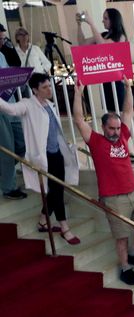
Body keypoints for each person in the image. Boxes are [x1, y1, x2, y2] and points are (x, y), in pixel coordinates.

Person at [73, 77, 134, 285]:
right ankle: (125, 267)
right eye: (111, 128)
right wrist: (78, 92)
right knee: (121, 237)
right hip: (114, 198)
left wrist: (128, 87)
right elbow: (78, 119)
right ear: (103, 127)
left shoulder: (122, 136)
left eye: (117, 128)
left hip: (133, 193)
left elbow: (127, 112)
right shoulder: (95, 141)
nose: (116, 132)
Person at [0, 72, 80, 243]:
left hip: (56, 153)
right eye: (44, 87)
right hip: (43, 156)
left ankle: (43, 221)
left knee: (57, 189)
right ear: (35, 90)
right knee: (56, 192)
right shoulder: (27, 104)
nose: (49, 89)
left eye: (49, 86)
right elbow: (10, 109)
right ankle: (65, 227)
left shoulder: (50, 105)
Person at [76, 8, 134, 161]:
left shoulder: (119, 36)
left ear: (113, 20)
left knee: (124, 115)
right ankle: (132, 149)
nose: (103, 21)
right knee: (116, 114)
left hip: (118, 81)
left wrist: (91, 23)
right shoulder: (102, 34)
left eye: (106, 18)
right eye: (103, 18)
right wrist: (79, 25)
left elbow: (104, 47)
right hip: (107, 81)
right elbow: (82, 44)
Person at [0, 52, 27, 200]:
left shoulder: (1, 55)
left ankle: (4, 171)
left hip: (10, 104)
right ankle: (8, 187)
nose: (2, 42)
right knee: (7, 149)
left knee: (23, 141)